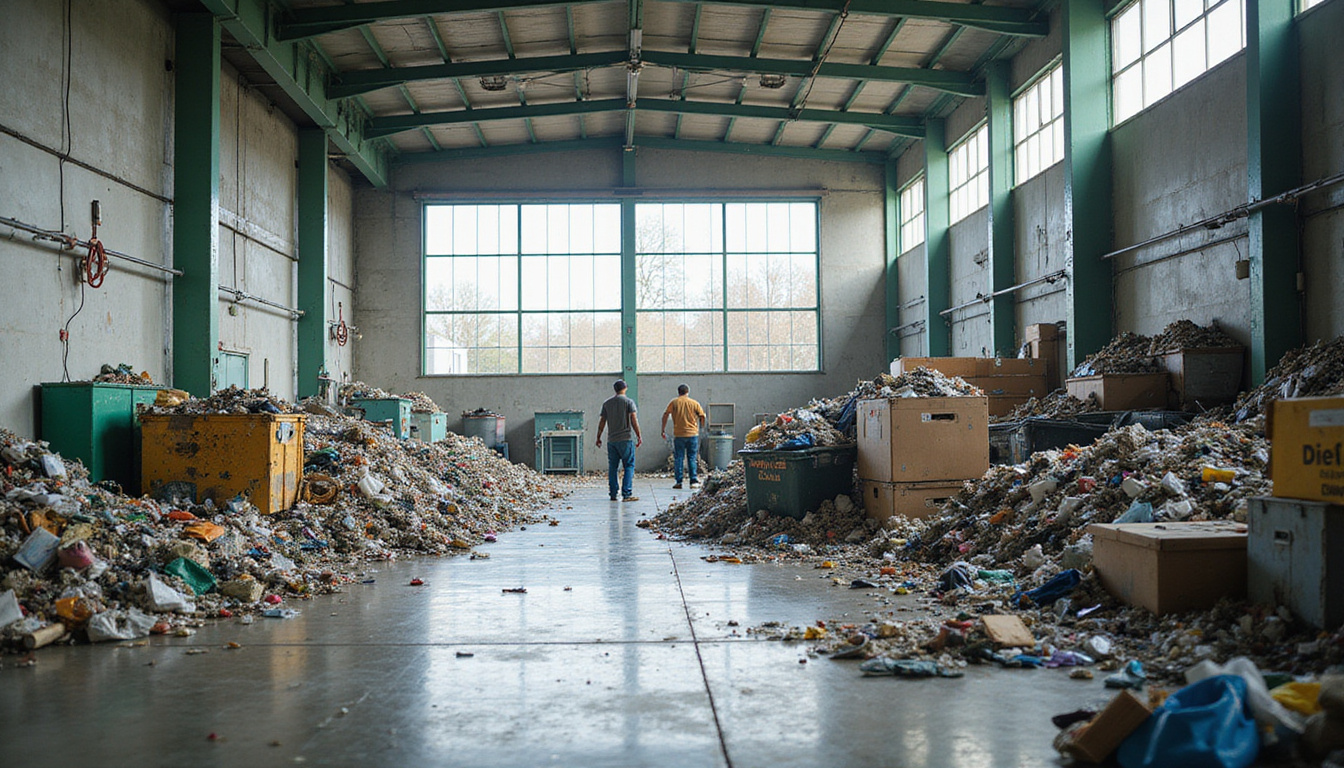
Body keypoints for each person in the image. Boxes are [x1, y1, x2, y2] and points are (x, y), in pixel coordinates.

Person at [596, 379, 641, 502]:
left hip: (612, 441)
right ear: (625, 388)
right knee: (629, 466)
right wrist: (638, 435)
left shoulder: (607, 403)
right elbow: (633, 420)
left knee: (613, 467)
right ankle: (626, 494)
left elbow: (602, 422)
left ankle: (613, 494)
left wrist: (598, 437)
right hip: (625, 439)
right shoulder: (629, 402)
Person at [661, 384, 706, 490]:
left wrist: (662, 429)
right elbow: (702, 416)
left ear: (678, 392)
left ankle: (679, 481)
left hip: (679, 435)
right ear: (687, 392)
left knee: (679, 458)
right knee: (691, 457)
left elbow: (666, 414)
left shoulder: (674, 402)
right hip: (692, 434)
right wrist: (701, 427)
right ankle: (693, 481)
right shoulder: (694, 403)